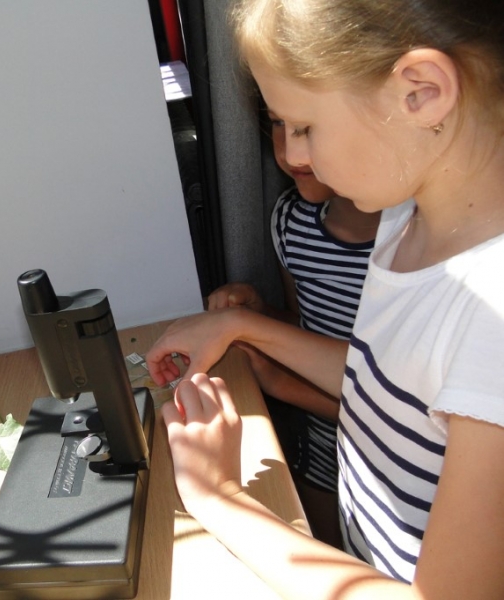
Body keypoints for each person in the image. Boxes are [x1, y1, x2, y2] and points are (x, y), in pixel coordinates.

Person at [146, 0, 504, 597]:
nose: (295, 156)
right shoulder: (404, 220)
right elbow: (391, 389)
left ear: (421, 93)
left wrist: (218, 496)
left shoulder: (493, 316)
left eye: (305, 126)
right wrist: (244, 326)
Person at [207, 107, 380, 548]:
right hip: (321, 455)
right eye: (277, 123)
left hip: (391, 466)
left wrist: (278, 382)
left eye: (308, 125)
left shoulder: (416, 247)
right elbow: (309, 329)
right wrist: (262, 316)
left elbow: (398, 410)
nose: (287, 152)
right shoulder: (291, 220)